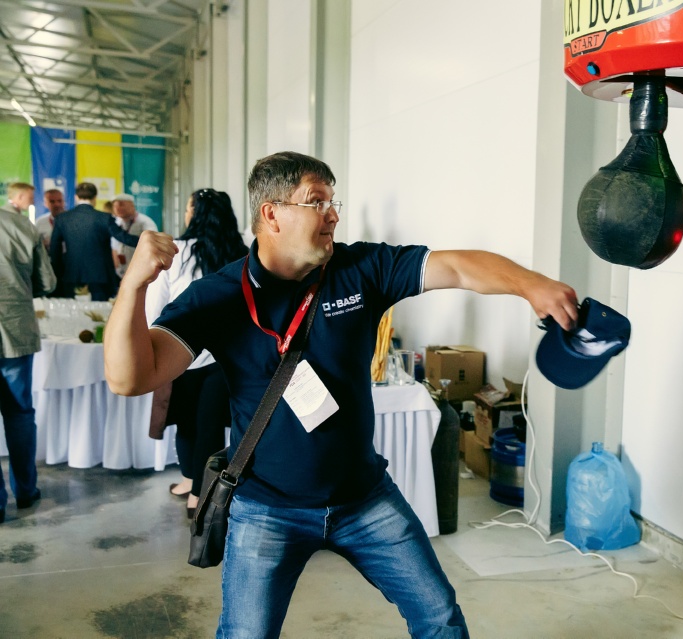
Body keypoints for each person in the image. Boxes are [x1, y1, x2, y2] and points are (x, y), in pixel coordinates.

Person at [103, 151, 578, 638]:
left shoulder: (360, 268)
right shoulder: (219, 296)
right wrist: (134, 285)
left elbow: (456, 267)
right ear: (271, 214)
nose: (332, 214)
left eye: (334, 202)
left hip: (364, 500)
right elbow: (130, 378)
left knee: (440, 617)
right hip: (266, 510)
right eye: (317, 202)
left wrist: (531, 284)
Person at [145, 188, 247, 518]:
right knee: (210, 425)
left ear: (195, 213)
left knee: (186, 422)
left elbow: (154, 307)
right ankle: (197, 488)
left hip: (181, 350)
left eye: (189, 208)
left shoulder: (177, 251)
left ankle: (194, 487)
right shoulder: (242, 251)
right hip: (226, 355)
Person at [0, 194, 57, 524]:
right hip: (15, 329)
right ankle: (25, 490)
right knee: (19, 413)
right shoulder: (22, 226)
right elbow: (46, 282)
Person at [48, 182, 140, 301]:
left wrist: (59, 272)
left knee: (72, 311)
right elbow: (124, 238)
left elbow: (55, 249)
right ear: (95, 198)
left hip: (71, 275)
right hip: (100, 276)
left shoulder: (62, 218)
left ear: (76, 197)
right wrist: (147, 241)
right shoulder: (105, 218)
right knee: (100, 311)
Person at [111, 193, 158, 279]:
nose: (117, 208)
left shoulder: (145, 222)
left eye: (121, 205)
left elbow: (152, 245)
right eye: (115, 206)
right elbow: (114, 247)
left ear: (132, 206)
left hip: (141, 271)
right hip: (119, 271)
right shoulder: (115, 223)